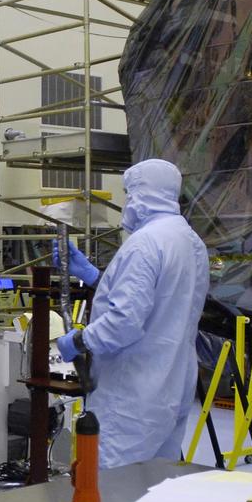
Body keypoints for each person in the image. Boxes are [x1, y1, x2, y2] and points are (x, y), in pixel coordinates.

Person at [54, 158, 210, 468]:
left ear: (142, 193)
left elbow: (123, 323)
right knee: (156, 487)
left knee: (113, 491)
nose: (127, 202)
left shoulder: (145, 244)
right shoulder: (191, 242)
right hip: (172, 388)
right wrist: (94, 276)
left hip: (131, 396)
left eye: (129, 193)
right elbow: (162, 302)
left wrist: (79, 342)